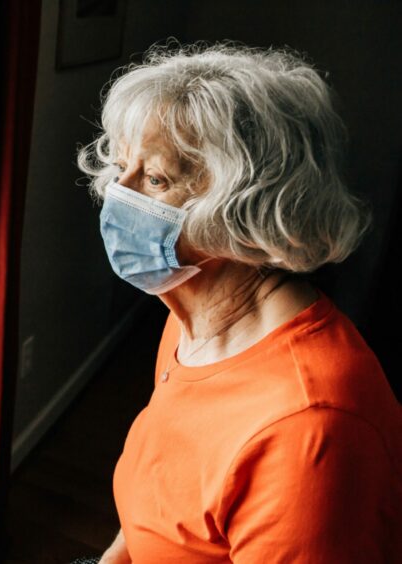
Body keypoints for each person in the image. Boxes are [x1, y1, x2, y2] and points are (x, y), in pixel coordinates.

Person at [77, 43, 402, 563]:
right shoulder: (190, 315)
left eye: (156, 179)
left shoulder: (310, 429)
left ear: (245, 208)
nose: (119, 192)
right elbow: (154, 515)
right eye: (121, 166)